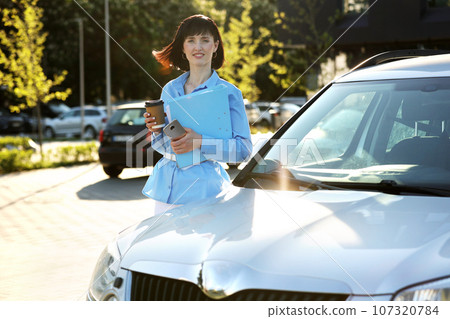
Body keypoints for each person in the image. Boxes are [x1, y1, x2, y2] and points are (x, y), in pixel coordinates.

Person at [143, 14, 252, 214]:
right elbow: (163, 147)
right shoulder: (170, 89)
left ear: (216, 45)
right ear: (183, 48)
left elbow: (243, 150)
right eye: (191, 41)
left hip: (205, 191)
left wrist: (199, 140)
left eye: (205, 40)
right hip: (166, 189)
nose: (198, 47)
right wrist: (156, 131)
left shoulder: (230, 93)